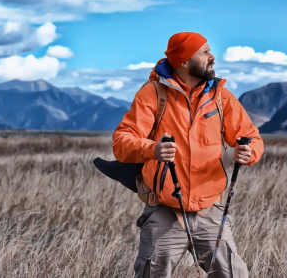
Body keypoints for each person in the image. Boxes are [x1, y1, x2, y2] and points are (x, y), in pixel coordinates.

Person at [112, 32, 264, 278]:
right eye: (204, 52)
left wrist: (250, 152)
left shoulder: (220, 97)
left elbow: (251, 136)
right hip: (163, 211)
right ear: (183, 61)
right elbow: (121, 142)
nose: (212, 57)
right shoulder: (153, 94)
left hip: (210, 210)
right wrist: (153, 149)